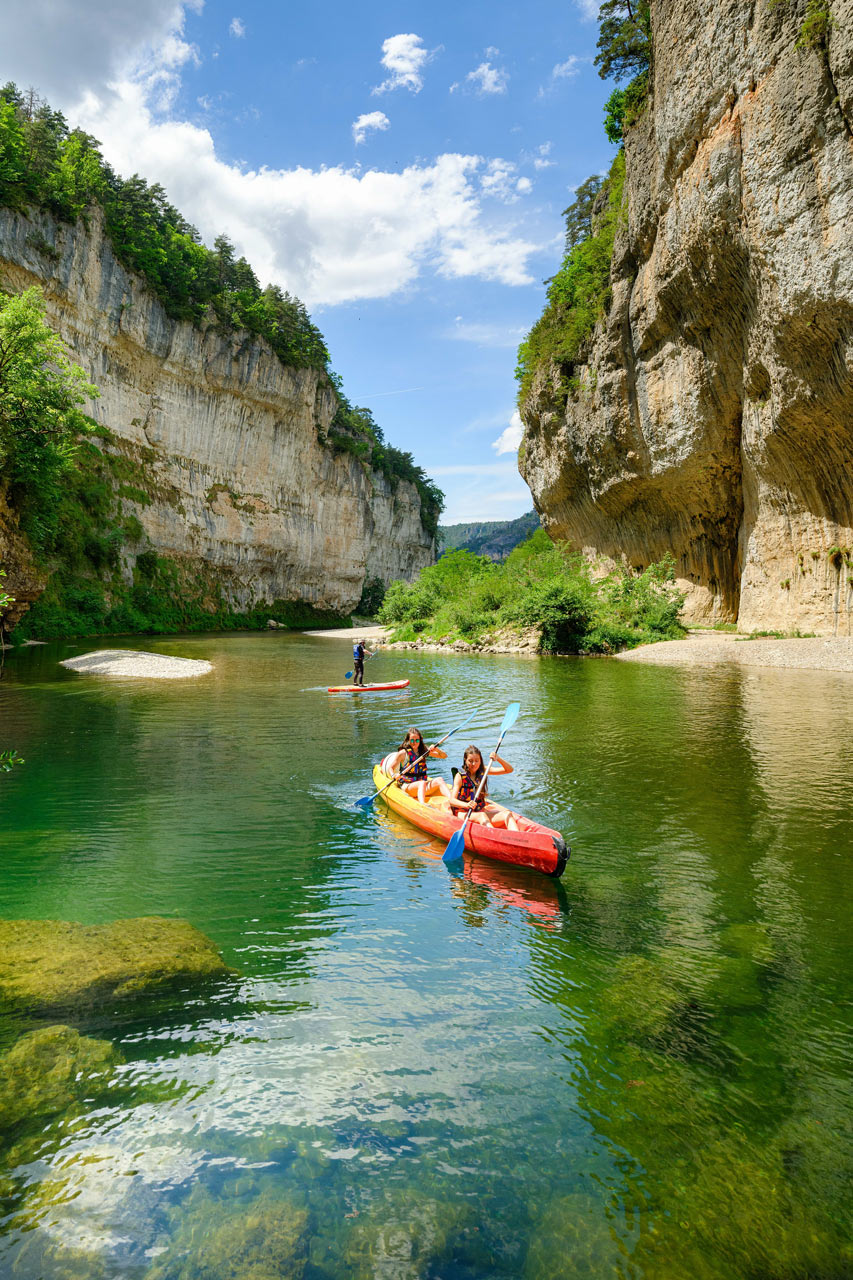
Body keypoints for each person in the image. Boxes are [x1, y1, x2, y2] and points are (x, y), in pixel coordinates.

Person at [447, 744, 520, 830]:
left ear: (480, 761)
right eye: (470, 761)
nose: (474, 764)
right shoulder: (460, 776)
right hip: (462, 813)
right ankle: (495, 837)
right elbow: (452, 800)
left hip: (478, 810)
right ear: (465, 760)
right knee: (482, 816)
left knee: (507, 814)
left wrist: (498, 759)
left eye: (477, 761)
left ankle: (519, 839)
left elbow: (509, 770)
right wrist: (466, 805)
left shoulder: (483, 770)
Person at [383, 727, 450, 805]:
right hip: (407, 786)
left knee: (439, 780)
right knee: (421, 783)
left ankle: (453, 800)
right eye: (412, 740)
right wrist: (394, 775)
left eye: (417, 740)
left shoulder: (423, 751)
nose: (414, 743)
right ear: (408, 740)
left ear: (420, 740)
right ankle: (422, 805)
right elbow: (390, 768)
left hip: (422, 785)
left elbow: (444, 756)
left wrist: (436, 749)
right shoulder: (403, 753)